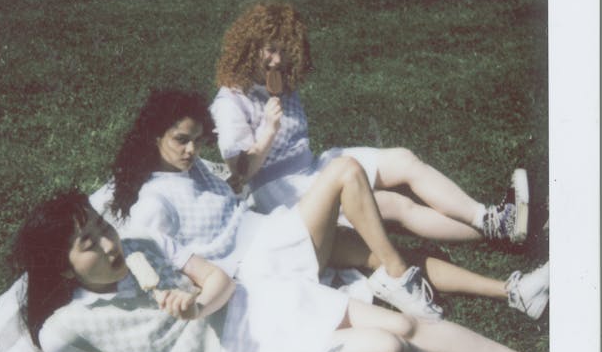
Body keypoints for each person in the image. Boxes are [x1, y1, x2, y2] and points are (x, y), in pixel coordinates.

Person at [13, 187, 548, 352]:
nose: (107, 245)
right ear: (64, 270)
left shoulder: (140, 243)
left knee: (405, 324)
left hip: (260, 304)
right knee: (389, 348)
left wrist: (198, 303)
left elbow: (219, 278)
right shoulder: (68, 322)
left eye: (101, 229)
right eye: (89, 243)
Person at [109, 90, 549, 322]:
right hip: (262, 264)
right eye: (179, 140)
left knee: (380, 251)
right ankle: (400, 278)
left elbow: (233, 190)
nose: (190, 150)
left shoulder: (192, 169)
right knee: (344, 170)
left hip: (271, 234)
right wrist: (179, 297)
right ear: (154, 138)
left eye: (195, 140)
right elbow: (146, 255)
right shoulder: (153, 200)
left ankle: (513, 292)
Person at [209, 1, 531, 251]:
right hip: (283, 192)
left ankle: (489, 218)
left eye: (284, 51)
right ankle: (497, 234)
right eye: (269, 49)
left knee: (403, 159)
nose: (277, 60)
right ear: (249, 47)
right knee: (395, 204)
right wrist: (267, 132)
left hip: (313, 168)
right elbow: (241, 173)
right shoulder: (230, 101)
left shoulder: (279, 82)